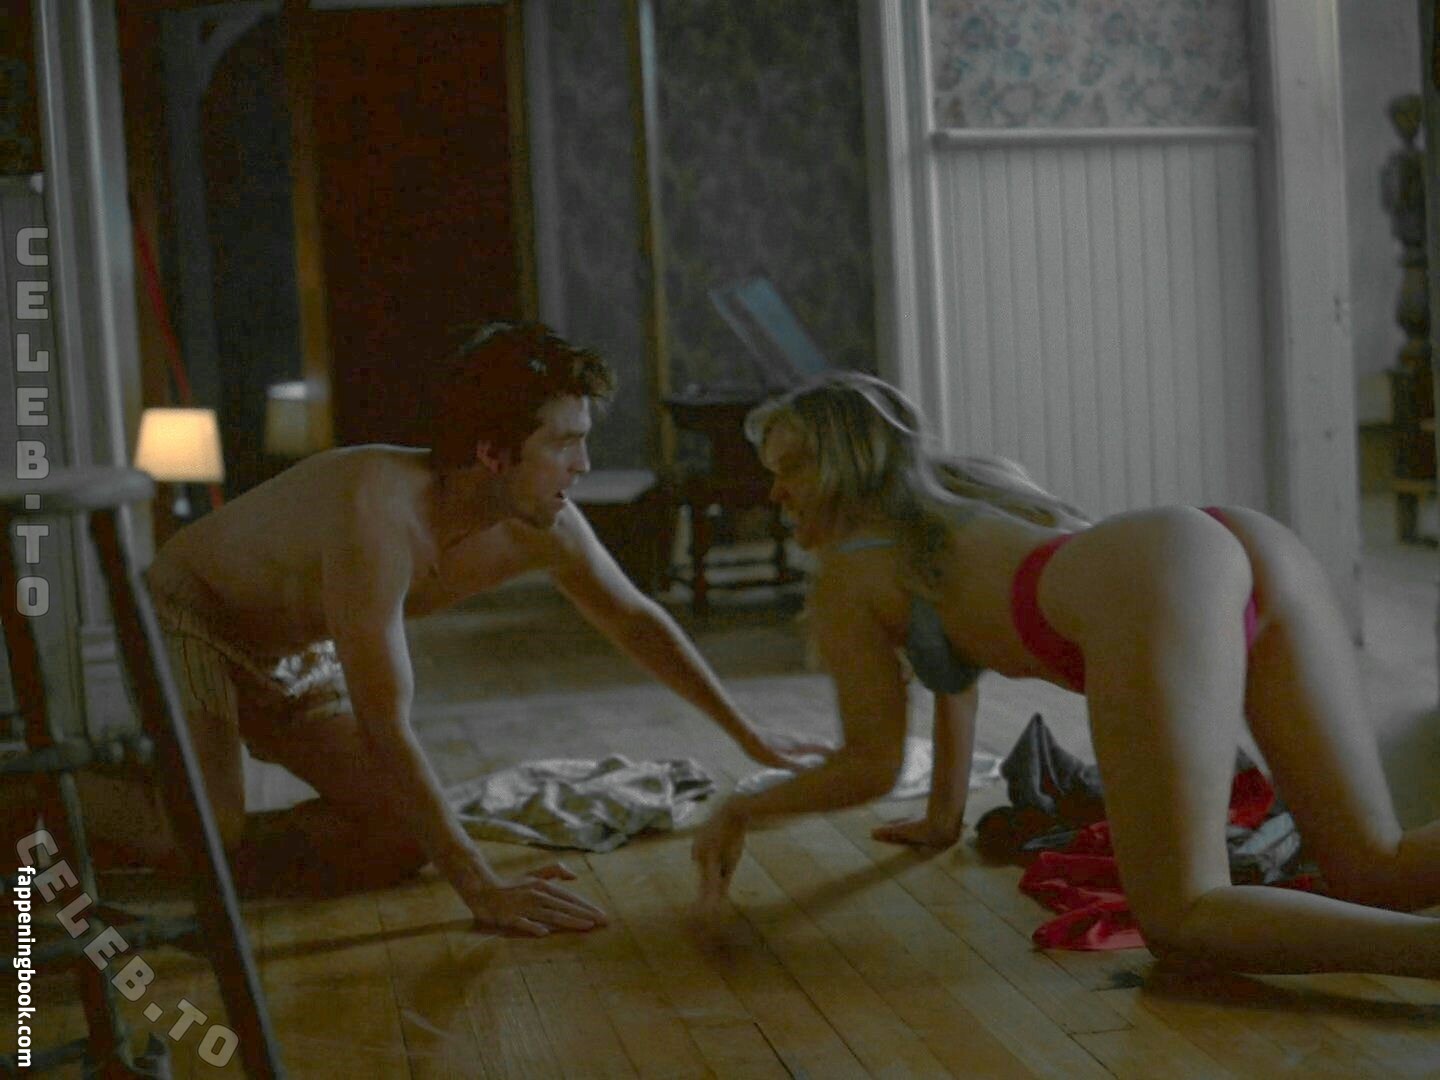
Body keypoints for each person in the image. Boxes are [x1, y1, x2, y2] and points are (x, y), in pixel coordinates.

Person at [11, 322, 831, 938]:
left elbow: (636, 621)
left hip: (293, 649)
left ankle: (200, 837)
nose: (584, 465)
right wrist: (482, 889)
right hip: (192, 614)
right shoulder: (379, 514)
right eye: (565, 444)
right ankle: (40, 802)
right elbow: (386, 721)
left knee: (401, 835)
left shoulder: (545, 523)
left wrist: (751, 736)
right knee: (207, 831)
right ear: (492, 453)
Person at [692, 370, 1440, 978]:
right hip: (1235, 538)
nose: (776, 492)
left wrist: (742, 808)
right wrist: (944, 816)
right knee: (1372, 870)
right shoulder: (955, 504)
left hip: (1160, 576)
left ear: (845, 466)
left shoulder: (851, 576)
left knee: (1183, 917)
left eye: (792, 469)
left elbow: (870, 763)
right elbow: (953, 674)